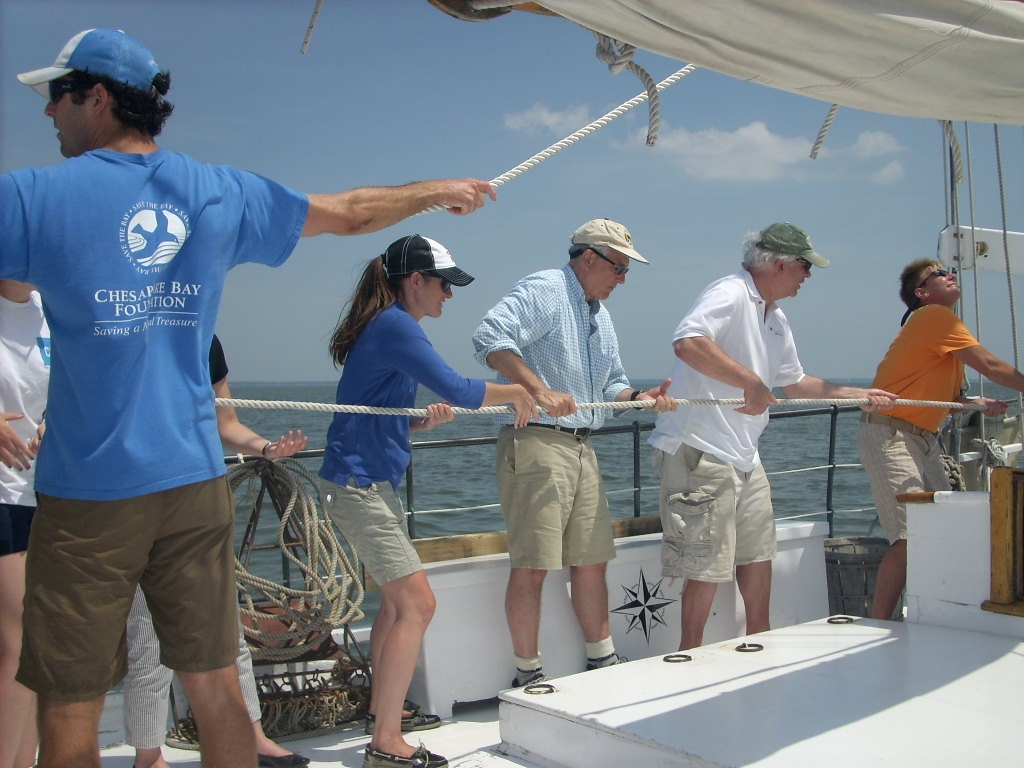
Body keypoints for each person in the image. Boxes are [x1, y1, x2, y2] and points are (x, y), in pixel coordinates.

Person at [2, 28, 495, 768]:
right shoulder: (217, 192)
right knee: (218, 692)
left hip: (87, 491)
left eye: (56, 96)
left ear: (95, 97)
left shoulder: (28, 198)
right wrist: (438, 191)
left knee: (69, 701)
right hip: (195, 487)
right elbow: (352, 211)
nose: (48, 114)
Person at [319, 234, 536, 768]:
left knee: (398, 605)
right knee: (418, 604)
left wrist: (419, 419)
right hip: (359, 485)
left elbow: (377, 410)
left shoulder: (390, 326)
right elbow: (462, 390)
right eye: (444, 284)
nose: (449, 295)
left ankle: (382, 715)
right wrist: (525, 391)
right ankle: (386, 743)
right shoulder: (395, 324)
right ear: (415, 280)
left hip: (368, 482)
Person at [648, 222, 896, 650]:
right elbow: (687, 342)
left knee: (759, 553)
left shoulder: (776, 318)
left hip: (746, 455)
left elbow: (795, 383)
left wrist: (860, 394)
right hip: (701, 451)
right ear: (780, 264)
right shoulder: (729, 292)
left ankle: (757, 645)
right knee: (704, 564)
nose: (809, 276)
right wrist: (751, 383)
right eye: (804, 266)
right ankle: (688, 656)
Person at [472, 218, 677, 688]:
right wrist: (539, 390)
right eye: (619, 268)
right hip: (538, 441)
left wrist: (639, 399)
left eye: (626, 271)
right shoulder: (547, 288)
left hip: (583, 446)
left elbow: (612, 386)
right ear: (590, 257)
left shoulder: (599, 315)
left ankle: (600, 658)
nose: (622, 279)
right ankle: (528, 672)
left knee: (592, 558)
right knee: (533, 562)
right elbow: (490, 337)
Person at [124, 334, 309, 768]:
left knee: (227, 634)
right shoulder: (122, 321)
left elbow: (226, 424)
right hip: (132, 498)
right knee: (147, 638)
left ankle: (254, 737)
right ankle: (148, 757)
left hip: (198, 499)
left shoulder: (203, 336)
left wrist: (265, 448)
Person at [858, 259, 1021, 621]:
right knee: (910, 533)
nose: (951, 275)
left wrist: (974, 404)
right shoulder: (934, 316)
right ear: (923, 293)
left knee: (941, 525)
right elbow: (991, 367)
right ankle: (879, 622)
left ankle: (928, 613)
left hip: (920, 437)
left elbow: (940, 396)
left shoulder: (939, 326)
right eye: (940, 273)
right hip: (891, 433)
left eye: (951, 271)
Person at [0, 280, 49, 768]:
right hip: (0, 494)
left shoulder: (50, 309)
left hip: (43, 492)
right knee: (14, 645)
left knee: (38, 646)